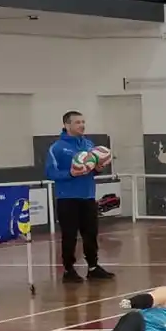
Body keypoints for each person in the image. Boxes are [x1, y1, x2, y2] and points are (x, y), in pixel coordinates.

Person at [45, 111, 113, 284]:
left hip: (88, 196)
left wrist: (99, 167)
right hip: (67, 198)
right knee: (69, 235)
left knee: (91, 233)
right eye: (77, 122)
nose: (82, 125)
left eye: (83, 122)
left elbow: (93, 169)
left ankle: (93, 267)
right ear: (67, 125)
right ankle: (69, 269)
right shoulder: (57, 148)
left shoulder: (89, 144)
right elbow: (50, 173)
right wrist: (71, 173)